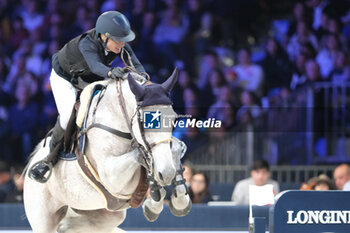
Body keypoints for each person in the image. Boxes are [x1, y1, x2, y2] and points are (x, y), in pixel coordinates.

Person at [29, 11, 146, 183]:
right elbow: (96, 65)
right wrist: (110, 71)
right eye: (118, 40)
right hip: (65, 78)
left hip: (89, 78)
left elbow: (136, 64)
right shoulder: (87, 44)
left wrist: (144, 79)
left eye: (124, 40)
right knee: (68, 115)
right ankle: (49, 160)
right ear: (104, 36)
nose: (122, 44)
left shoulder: (119, 44)